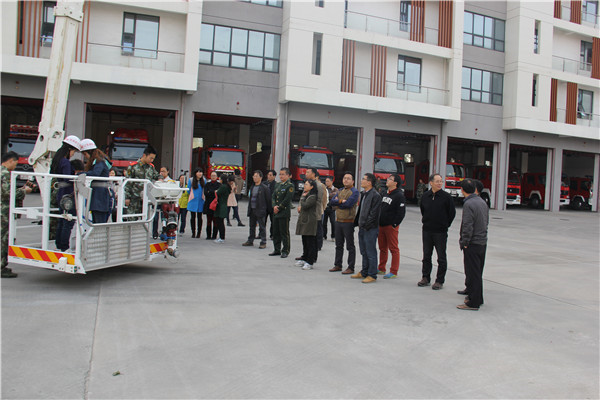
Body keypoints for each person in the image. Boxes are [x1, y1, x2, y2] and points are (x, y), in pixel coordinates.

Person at [418, 173, 456, 290]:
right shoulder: (425, 196)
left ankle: (439, 281)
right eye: (437, 181)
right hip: (427, 230)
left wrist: (445, 225)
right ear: (431, 183)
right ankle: (425, 277)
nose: (440, 183)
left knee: (441, 257)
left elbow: (451, 213)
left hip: (440, 232)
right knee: (426, 255)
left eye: (441, 181)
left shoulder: (446, 197)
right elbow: (423, 210)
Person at [457, 179, 489, 311]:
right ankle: (477, 298)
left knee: (473, 273)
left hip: (473, 243)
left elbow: (467, 225)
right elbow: (486, 222)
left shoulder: (469, 204)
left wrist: (465, 242)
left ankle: (473, 303)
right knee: (477, 272)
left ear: (462, 190)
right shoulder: (482, 202)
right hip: (482, 242)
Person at [1, 151, 33, 278]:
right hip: (3, 212)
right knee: (3, 239)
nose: (15, 166)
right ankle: (1, 267)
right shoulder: (4, 174)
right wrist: (24, 191)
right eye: (15, 163)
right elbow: (8, 193)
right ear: (10, 161)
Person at [50, 135, 82, 252]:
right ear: (69, 149)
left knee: (62, 220)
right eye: (73, 151)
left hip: (60, 194)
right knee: (68, 221)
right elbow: (68, 178)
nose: (73, 154)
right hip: (68, 195)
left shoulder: (57, 161)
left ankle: (59, 245)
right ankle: (64, 247)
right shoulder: (65, 162)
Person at [351, 173, 382, 283]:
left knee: (370, 252)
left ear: (369, 182)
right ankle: (364, 271)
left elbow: (374, 214)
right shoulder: (364, 194)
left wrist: (366, 225)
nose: (361, 181)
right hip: (362, 227)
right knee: (364, 251)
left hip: (370, 228)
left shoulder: (375, 196)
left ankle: (372, 274)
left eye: (364, 179)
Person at [329, 172, 359, 274]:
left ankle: (351, 267)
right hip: (338, 221)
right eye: (344, 178)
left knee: (350, 246)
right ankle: (338, 265)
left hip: (348, 222)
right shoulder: (340, 190)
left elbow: (349, 204)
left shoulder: (354, 192)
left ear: (353, 181)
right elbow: (331, 202)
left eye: (348, 178)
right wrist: (341, 201)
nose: (346, 180)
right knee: (338, 245)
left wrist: (338, 203)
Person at [377, 174, 406, 279]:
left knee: (393, 248)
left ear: (395, 183)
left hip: (391, 226)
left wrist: (394, 224)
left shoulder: (399, 195)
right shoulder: (385, 193)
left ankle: (394, 271)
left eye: (390, 179)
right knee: (382, 248)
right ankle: (381, 268)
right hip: (381, 225)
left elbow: (401, 212)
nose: (387, 180)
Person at [81, 139, 113, 224]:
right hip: (99, 197)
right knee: (97, 224)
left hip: (100, 198)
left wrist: (82, 174)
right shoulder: (99, 162)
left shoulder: (99, 163)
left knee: (99, 224)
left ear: (90, 152)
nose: (85, 157)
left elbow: (95, 173)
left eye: (85, 154)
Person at [124, 145, 159, 220]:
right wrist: (127, 198)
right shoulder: (133, 166)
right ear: (144, 155)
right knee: (132, 220)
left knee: (145, 220)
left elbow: (157, 176)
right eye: (150, 158)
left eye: (153, 159)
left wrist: (162, 178)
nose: (152, 160)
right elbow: (128, 184)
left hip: (145, 198)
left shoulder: (151, 167)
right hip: (134, 199)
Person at [242, 170, 271, 249]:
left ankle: (263, 242)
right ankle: (250, 240)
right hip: (252, 209)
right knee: (252, 226)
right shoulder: (252, 187)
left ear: (260, 178)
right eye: (254, 176)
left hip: (260, 210)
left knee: (262, 227)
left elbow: (268, 200)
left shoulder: (264, 188)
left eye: (256, 176)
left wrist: (268, 210)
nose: (254, 178)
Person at [269, 167, 294, 258]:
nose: (281, 176)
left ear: (287, 175)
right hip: (276, 212)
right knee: (275, 232)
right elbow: (273, 196)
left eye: (283, 174)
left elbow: (287, 199)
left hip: (283, 212)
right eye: (280, 174)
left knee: (284, 233)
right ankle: (277, 249)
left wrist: (279, 208)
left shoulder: (290, 186)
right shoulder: (278, 185)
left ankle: (285, 250)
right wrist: (274, 206)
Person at [294, 179, 319, 270]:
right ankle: (304, 258)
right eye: (305, 184)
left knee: (310, 242)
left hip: (310, 221)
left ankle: (310, 261)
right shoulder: (305, 194)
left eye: (307, 184)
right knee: (304, 241)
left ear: (312, 187)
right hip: (304, 220)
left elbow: (305, 205)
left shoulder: (312, 196)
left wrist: (303, 199)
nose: (305, 186)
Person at [304, 167, 327, 253]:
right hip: (307, 212)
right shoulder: (307, 183)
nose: (306, 174)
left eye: (308, 172)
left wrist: (322, 209)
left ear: (313, 174)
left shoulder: (319, 185)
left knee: (317, 230)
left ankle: (318, 246)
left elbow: (322, 199)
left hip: (316, 211)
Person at [152, 166, 172, 238]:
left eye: (163, 171)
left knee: (164, 218)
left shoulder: (170, 181)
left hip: (165, 201)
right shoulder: (157, 181)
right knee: (155, 218)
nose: (162, 173)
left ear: (167, 172)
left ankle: (164, 232)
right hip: (157, 201)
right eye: (161, 171)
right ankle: (154, 233)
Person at [213, 174, 232, 243]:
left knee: (220, 222)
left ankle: (222, 237)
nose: (219, 180)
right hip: (223, 205)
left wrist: (216, 191)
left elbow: (217, 193)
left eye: (220, 179)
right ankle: (221, 237)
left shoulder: (223, 187)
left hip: (221, 206)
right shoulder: (227, 186)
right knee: (220, 222)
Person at [187, 168, 205, 238]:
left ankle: (199, 232)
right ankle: (193, 232)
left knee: (200, 217)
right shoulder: (191, 180)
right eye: (198, 172)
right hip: (193, 200)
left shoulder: (204, 180)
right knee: (192, 217)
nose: (200, 173)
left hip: (201, 200)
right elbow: (188, 190)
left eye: (201, 172)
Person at [203, 171, 220, 240]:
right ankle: (208, 235)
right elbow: (206, 193)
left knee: (215, 221)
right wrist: (213, 192)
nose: (213, 177)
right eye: (212, 175)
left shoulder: (219, 185)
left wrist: (210, 192)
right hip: (208, 204)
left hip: (216, 205)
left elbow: (218, 194)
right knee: (208, 220)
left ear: (217, 177)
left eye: (214, 176)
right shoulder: (207, 184)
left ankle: (214, 236)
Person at [322, 177, 338, 242]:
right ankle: (324, 235)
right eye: (326, 181)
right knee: (324, 223)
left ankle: (333, 236)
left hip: (332, 208)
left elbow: (335, 195)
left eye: (328, 181)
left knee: (333, 222)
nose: (327, 183)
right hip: (325, 208)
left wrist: (327, 195)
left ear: (331, 182)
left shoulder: (335, 189)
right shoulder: (324, 188)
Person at [266, 169, 276, 239]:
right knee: (262, 221)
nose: (268, 176)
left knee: (273, 221)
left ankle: (272, 234)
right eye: (268, 175)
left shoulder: (276, 185)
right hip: (265, 205)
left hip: (272, 206)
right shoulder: (264, 183)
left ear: (274, 176)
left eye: (270, 175)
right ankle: (261, 234)